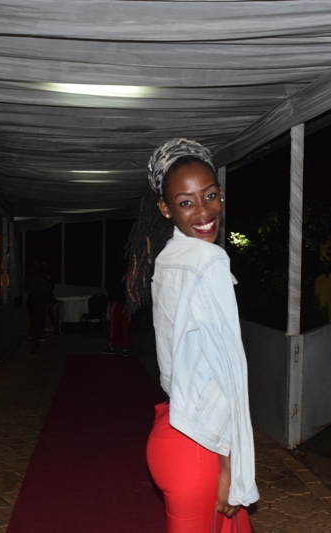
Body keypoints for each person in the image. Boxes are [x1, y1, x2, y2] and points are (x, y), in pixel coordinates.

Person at [125, 138, 258, 533]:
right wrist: (234, 469)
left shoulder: (167, 258)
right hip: (200, 448)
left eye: (210, 195)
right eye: (186, 202)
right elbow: (230, 375)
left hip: (172, 432)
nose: (204, 212)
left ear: (221, 193)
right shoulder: (208, 260)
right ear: (165, 208)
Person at [23, 262, 51, 353]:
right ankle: (36, 342)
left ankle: (35, 342)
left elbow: (26, 289)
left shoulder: (33, 277)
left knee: (34, 323)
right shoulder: (43, 278)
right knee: (36, 323)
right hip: (37, 300)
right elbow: (46, 290)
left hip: (34, 300)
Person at [102, 281, 130, 356]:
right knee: (125, 326)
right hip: (126, 302)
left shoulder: (112, 276)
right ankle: (124, 348)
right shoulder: (128, 275)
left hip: (118, 302)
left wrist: (111, 302)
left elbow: (110, 288)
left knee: (115, 325)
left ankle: (112, 347)